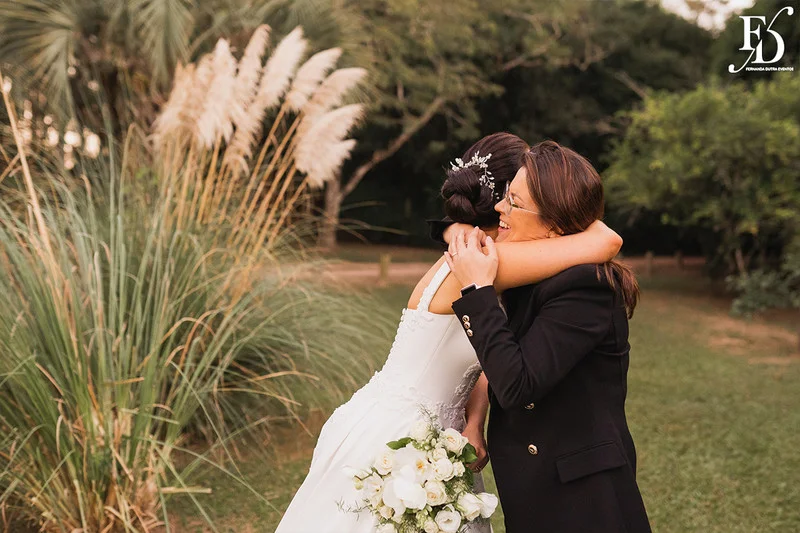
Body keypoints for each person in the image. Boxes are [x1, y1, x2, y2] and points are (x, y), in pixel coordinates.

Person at [275, 133, 623, 532]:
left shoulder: (465, 254)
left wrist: (475, 419)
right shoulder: (488, 260)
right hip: (404, 437)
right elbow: (603, 241)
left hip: (392, 421)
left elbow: (481, 353)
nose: (503, 205)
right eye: (510, 195)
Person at [443, 140, 651, 532]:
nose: (500, 209)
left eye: (514, 203)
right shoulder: (542, 269)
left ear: (555, 225)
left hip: (583, 502)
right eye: (506, 195)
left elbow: (518, 384)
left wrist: (477, 293)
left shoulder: (586, 288)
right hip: (538, 492)